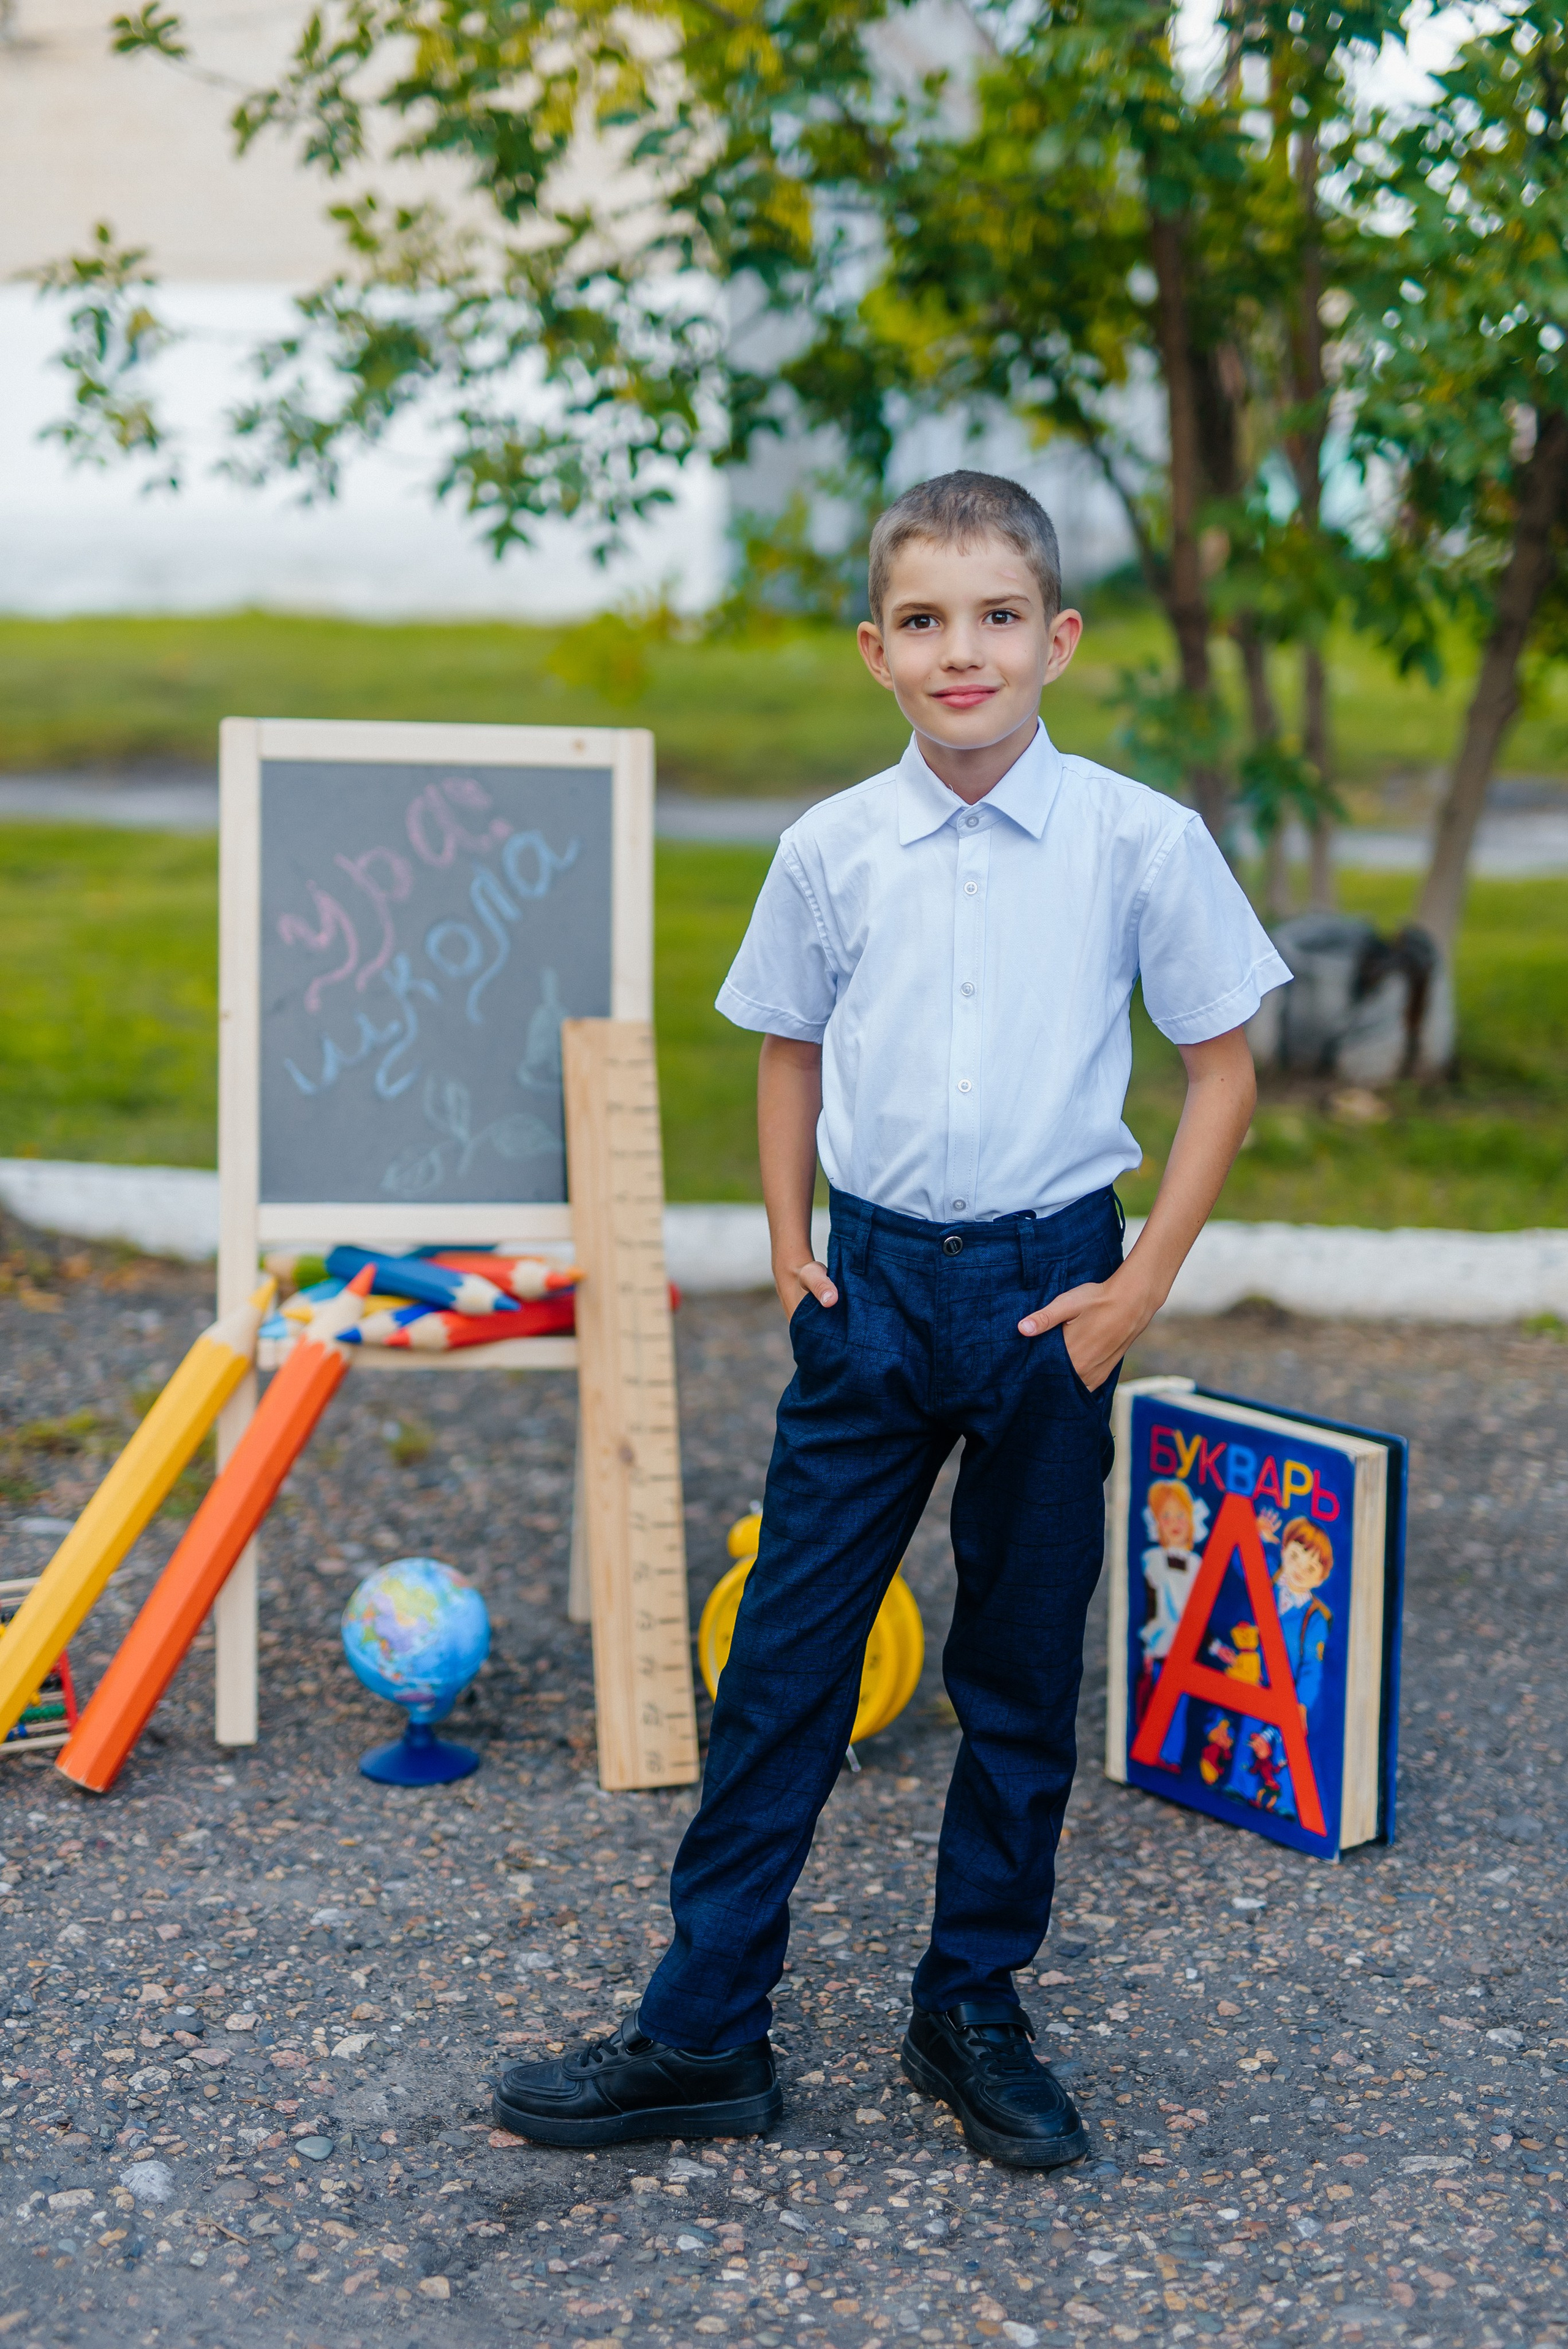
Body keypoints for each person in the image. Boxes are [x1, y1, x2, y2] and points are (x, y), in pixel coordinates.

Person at [492, 468, 1291, 2165]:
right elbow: (790, 1043)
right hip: (869, 1293)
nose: (963, 652)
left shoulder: (1141, 838)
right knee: (784, 1660)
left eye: (998, 617)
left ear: (1058, 639)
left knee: (1014, 1669)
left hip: (1048, 1298)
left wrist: (1137, 1285)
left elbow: (1222, 1068)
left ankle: (970, 2005)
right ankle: (704, 2028)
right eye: (924, 621)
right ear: (877, 649)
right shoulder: (830, 846)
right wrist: (793, 1240)